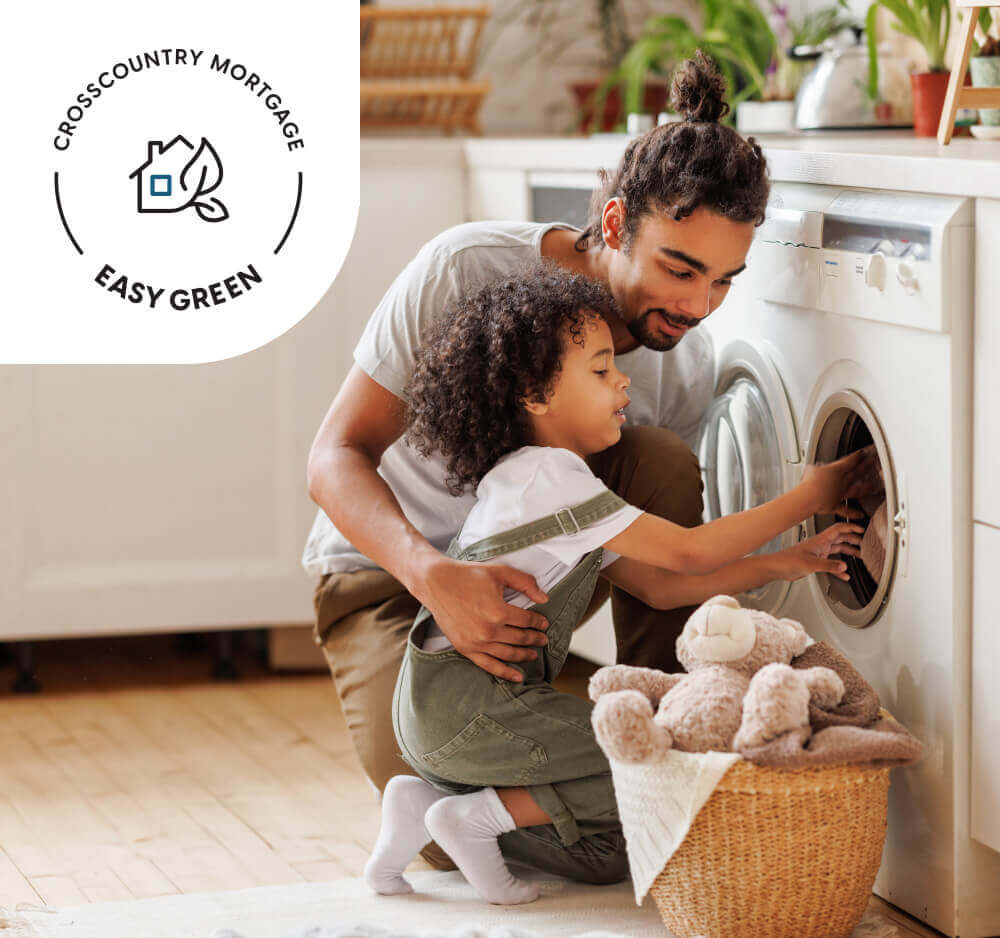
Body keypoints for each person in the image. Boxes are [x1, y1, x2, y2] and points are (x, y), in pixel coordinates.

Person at [304, 52, 769, 870]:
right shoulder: (468, 270)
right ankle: (607, 765)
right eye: (680, 268)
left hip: (537, 590)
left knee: (656, 460)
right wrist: (432, 575)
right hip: (387, 579)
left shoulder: (680, 364)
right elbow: (334, 454)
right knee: (441, 822)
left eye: (725, 281)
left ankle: (666, 726)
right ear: (618, 224)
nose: (697, 307)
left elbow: (654, 565)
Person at [362, 264, 868, 904]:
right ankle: (472, 818)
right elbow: (686, 551)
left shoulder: (521, 480)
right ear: (536, 396)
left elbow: (659, 588)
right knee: (655, 766)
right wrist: (810, 496)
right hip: (478, 708)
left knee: (606, 857)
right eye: (600, 371)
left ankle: (421, 803)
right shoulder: (553, 478)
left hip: (433, 709)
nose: (622, 378)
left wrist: (791, 560)